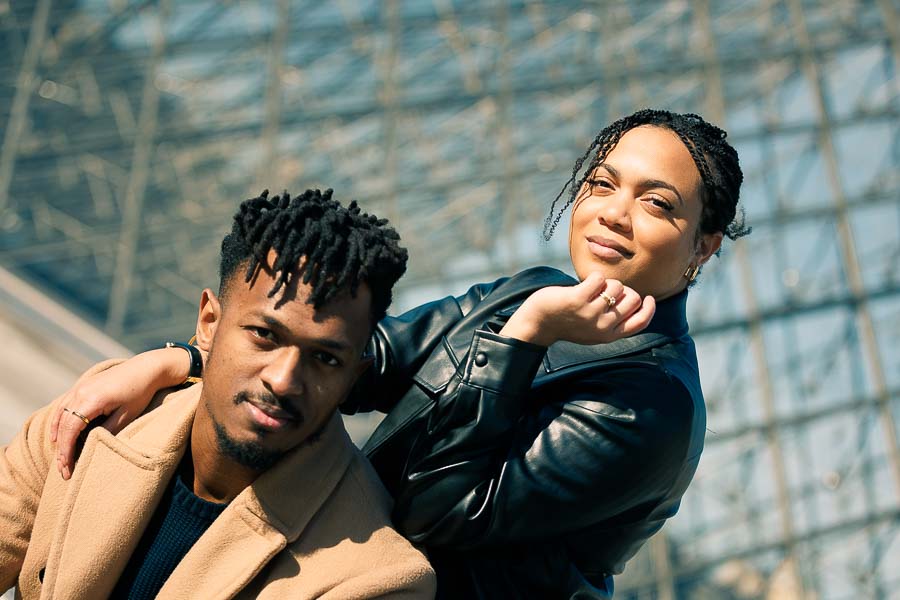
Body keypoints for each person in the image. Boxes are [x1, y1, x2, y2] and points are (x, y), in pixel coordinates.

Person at [46, 109, 749, 598]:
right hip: (321, 556)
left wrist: (523, 339)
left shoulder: (653, 406)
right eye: (602, 184)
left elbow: (435, 515)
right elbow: (362, 358)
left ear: (703, 245)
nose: (612, 213)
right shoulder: (530, 290)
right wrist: (183, 362)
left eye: (657, 204)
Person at [0, 189, 436, 599]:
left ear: (353, 378)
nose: (283, 380)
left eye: (325, 359)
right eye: (265, 334)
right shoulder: (94, 418)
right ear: (208, 324)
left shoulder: (375, 580)